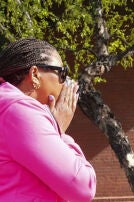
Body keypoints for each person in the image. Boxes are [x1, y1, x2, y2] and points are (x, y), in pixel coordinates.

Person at [0, 38, 96, 201]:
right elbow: (83, 186)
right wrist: (59, 131)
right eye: (62, 73)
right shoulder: (20, 111)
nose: (65, 84)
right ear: (35, 75)